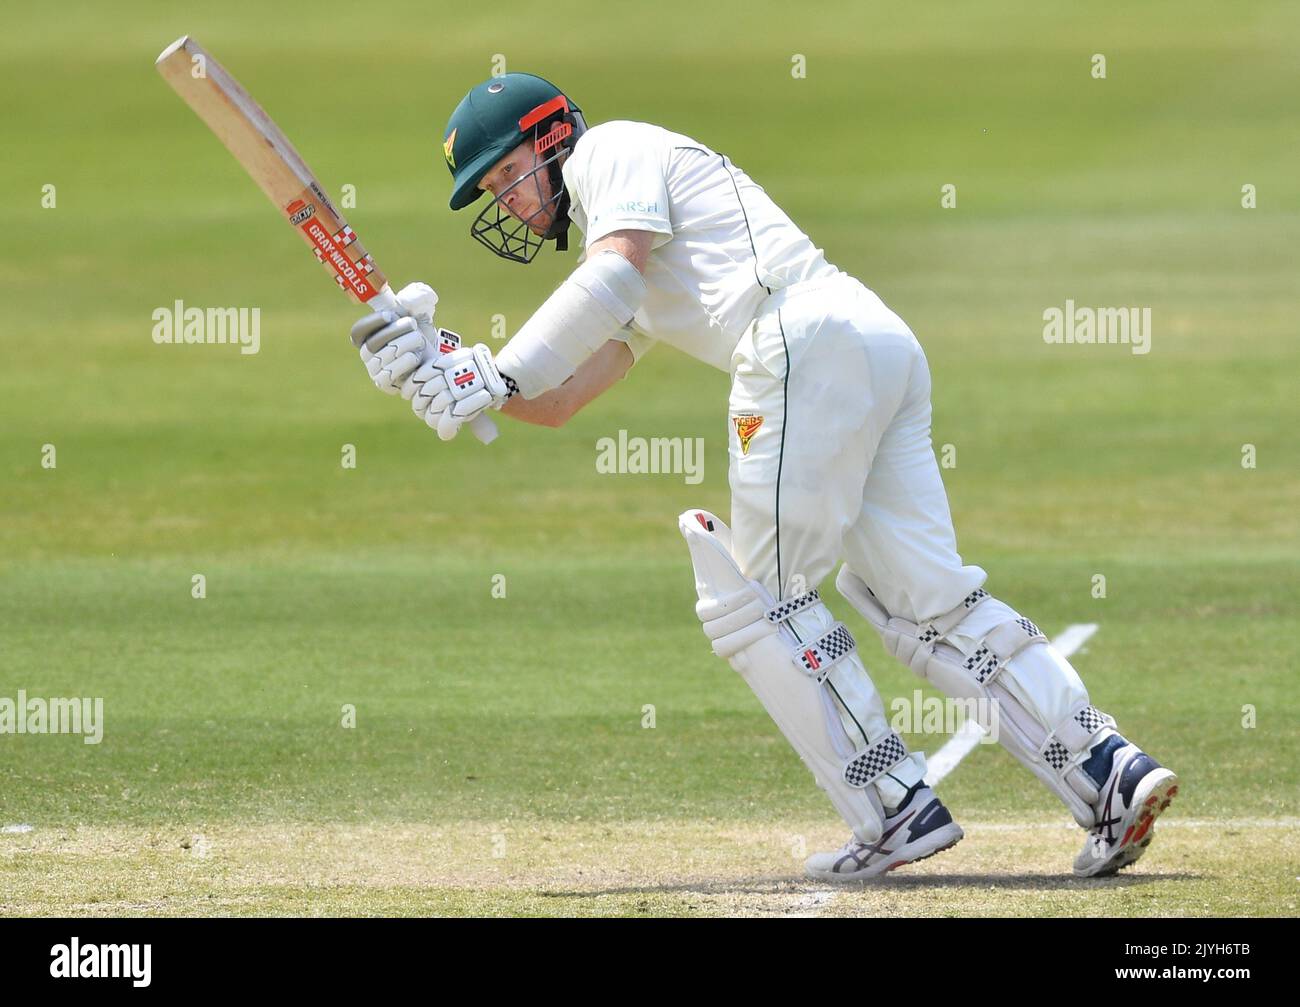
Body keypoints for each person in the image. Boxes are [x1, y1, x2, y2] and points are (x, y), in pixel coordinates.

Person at [349, 72, 1178, 881]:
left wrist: (491, 375)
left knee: (753, 596)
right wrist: (453, 364)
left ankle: (894, 808)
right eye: (493, 191)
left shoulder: (612, 151)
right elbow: (562, 395)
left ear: (551, 134)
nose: (508, 201)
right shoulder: (627, 228)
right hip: (868, 341)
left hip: (796, 343)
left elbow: (613, 275)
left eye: (505, 176)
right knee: (923, 601)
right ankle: (1108, 770)